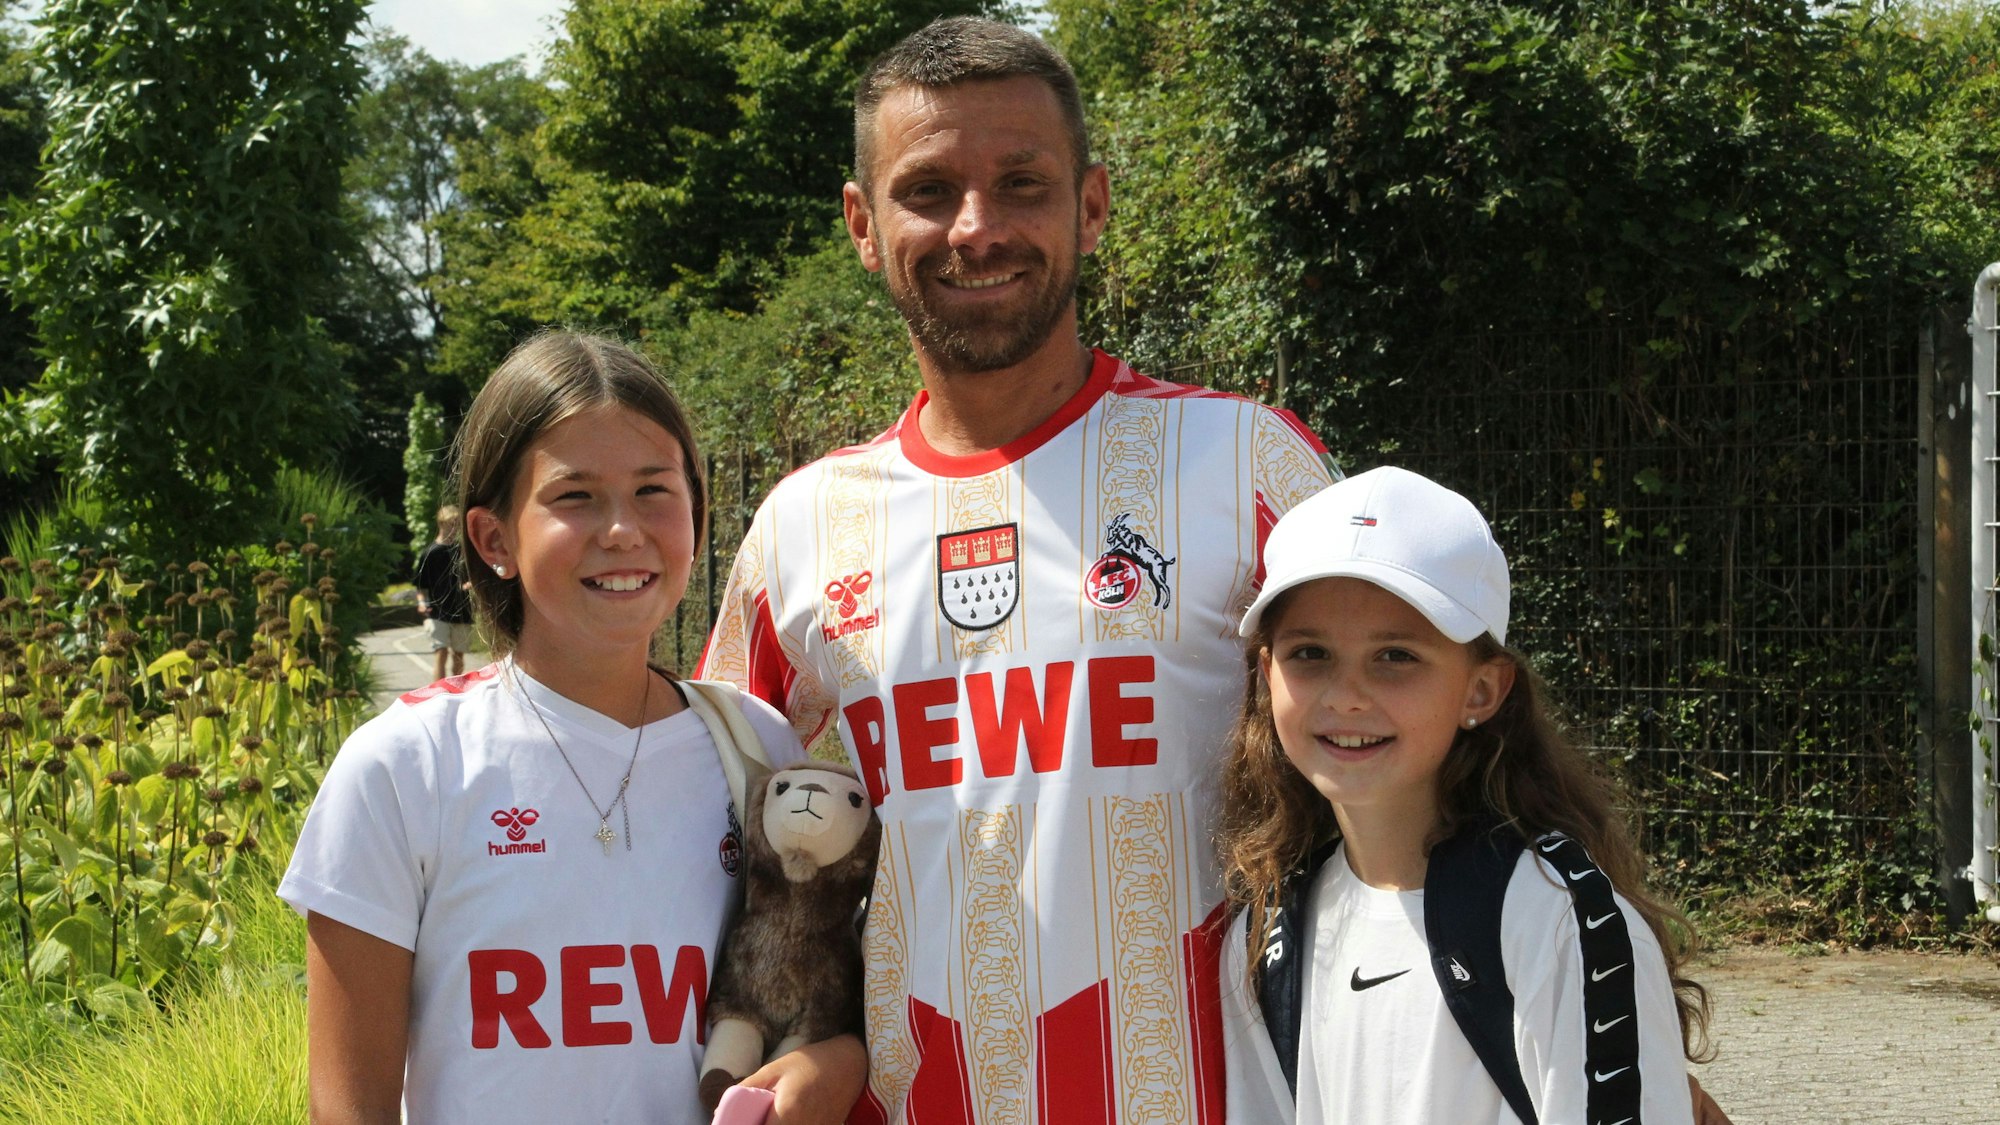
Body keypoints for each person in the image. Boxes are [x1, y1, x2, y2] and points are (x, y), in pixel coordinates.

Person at [699, 18, 1336, 1122]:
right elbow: (731, 854)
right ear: (862, 225)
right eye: (928, 189)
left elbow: (1439, 766)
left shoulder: (1246, 463)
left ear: (1089, 207)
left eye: (1020, 184)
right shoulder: (800, 528)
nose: (975, 227)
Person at [278, 332, 865, 1123]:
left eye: (655, 490)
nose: (622, 529)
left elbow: (816, 991)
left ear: (696, 511)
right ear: (493, 540)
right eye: (574, 496)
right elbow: (350, 1107)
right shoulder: (405, 765)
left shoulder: (758, 747)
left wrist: (836, 1060)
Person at [1215, 466, 1711, 1123]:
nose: (1346, 695)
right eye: (1310, 653)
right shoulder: (1269, 929)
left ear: (1482, 690)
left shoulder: (1559, 919)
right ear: (1265, 674)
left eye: (1396, 655)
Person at [412, 505, 474, 681]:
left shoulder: (461, 550)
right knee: (441, 651)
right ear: (441, 524)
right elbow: (420, 584)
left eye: (457, 524)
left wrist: (470, 584)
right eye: (451, 524)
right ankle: (439, 692)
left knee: (459, 654)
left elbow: (471, 575)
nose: (455, 529)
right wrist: (422, 603)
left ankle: (457, 690)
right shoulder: (430, 553)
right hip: (437, 610)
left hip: (461, 608)